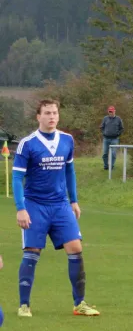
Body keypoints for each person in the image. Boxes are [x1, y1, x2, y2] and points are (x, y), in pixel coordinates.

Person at [12, 99, 100, 317]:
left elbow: (70, 171)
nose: (51, 117)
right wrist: (20, 208)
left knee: (76, 249)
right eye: (47, 113)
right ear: (38, 116)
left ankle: (79, 304)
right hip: (35, 205)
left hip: (60, 206)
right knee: (32, 252)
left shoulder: (67, 140)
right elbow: (16, 178)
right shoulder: (28, 143)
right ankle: (24, 305)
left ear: (58, 116)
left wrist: (74, 201)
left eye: (54, 113)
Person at [100, 106, 124, 170]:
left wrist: (118, 134)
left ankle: (111, 166)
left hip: (115, 139)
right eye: (109, 111)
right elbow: (101, 127)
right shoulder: (105, 118)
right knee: (105, 153)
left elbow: (121, 128)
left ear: (114, 111)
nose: (110, 113)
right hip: (106, 138)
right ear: (108, 112)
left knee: (113, 153)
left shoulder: (118, 119)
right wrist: (104, 133)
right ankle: (106, 166)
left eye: (112, 111)